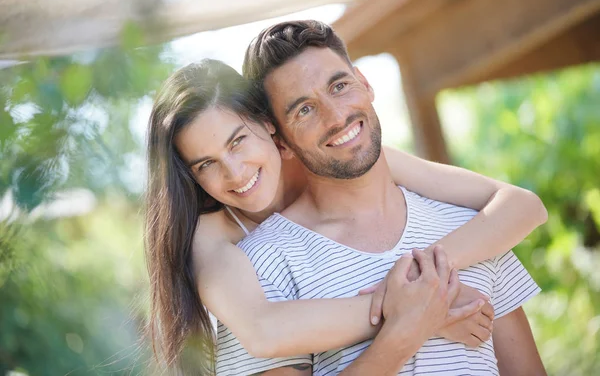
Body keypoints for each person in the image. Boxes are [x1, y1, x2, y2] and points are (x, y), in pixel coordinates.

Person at [144, 57, 547, 372]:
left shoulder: (339, 158)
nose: (235, 173)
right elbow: (264, 332)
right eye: (206, 165)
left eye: (238, 142)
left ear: (269, 126)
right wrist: (421, 310)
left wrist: (421, 277)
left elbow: (522, 206)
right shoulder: (211, 235)